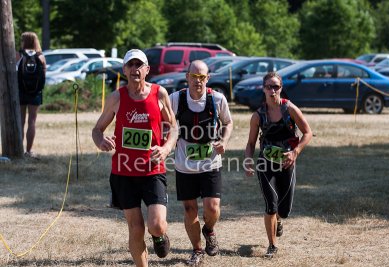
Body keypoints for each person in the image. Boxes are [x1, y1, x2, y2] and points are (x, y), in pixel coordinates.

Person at [92, 49, 178, 267]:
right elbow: (97, 129)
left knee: (156, 224)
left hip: (152, 170)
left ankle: (159, 236)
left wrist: (166, 148)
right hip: (123, 172)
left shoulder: (159, 94)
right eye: (130, 65)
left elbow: (174, 128)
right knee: (136, 228)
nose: (134, 69)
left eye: (139, 65)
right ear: (124, 70)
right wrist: (101, 141)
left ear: (147, 70)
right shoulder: (115, 98)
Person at [169, 60, 233, 266]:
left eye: (202, 77)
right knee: (190, 211)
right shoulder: (175, 99)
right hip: (184, 164)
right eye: (194, 77)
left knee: (212, 208)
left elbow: (228, 122)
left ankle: (209, 229)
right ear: (187, 77)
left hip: (210, 162)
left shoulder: (217, 98)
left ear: (208, 78)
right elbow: (164, 123)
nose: (198, 81)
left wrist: (223, 140)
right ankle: (197, 249)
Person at [244, 72, 312, 258]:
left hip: (286, 164)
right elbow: (250, 143)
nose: (272, 90)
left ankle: (279, 220)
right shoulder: (258, 116)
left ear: (281, 88)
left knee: (284, 210)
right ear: (263, 88)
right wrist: (248, 160)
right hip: (266, 165)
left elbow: (308, 133)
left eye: (276, 86)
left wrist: (295, 152)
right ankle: (272, 245)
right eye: (269, 86)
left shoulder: (290, 109)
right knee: (271, 205)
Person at [17, 32, 46, 158]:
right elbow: (44, 76)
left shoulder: (18, 55)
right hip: (35, 93)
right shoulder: (41, 56)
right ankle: (29, 151)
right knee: (32, 121)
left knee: (21, 121)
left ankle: (18, 149)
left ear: (25, 41)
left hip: (21, 91)